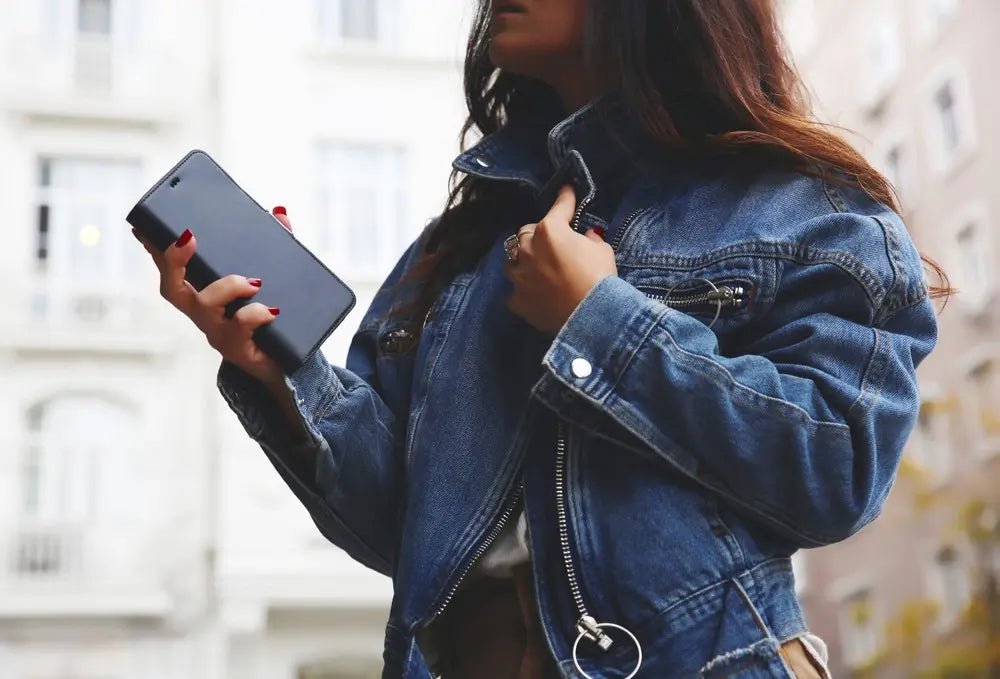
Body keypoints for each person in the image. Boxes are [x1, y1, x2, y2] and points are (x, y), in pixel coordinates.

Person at [133, 1, 947, 677]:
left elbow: (840, 467)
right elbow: (401, 533)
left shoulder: (799, 209)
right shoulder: (461, 245)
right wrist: (281, 373)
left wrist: (601, 319)